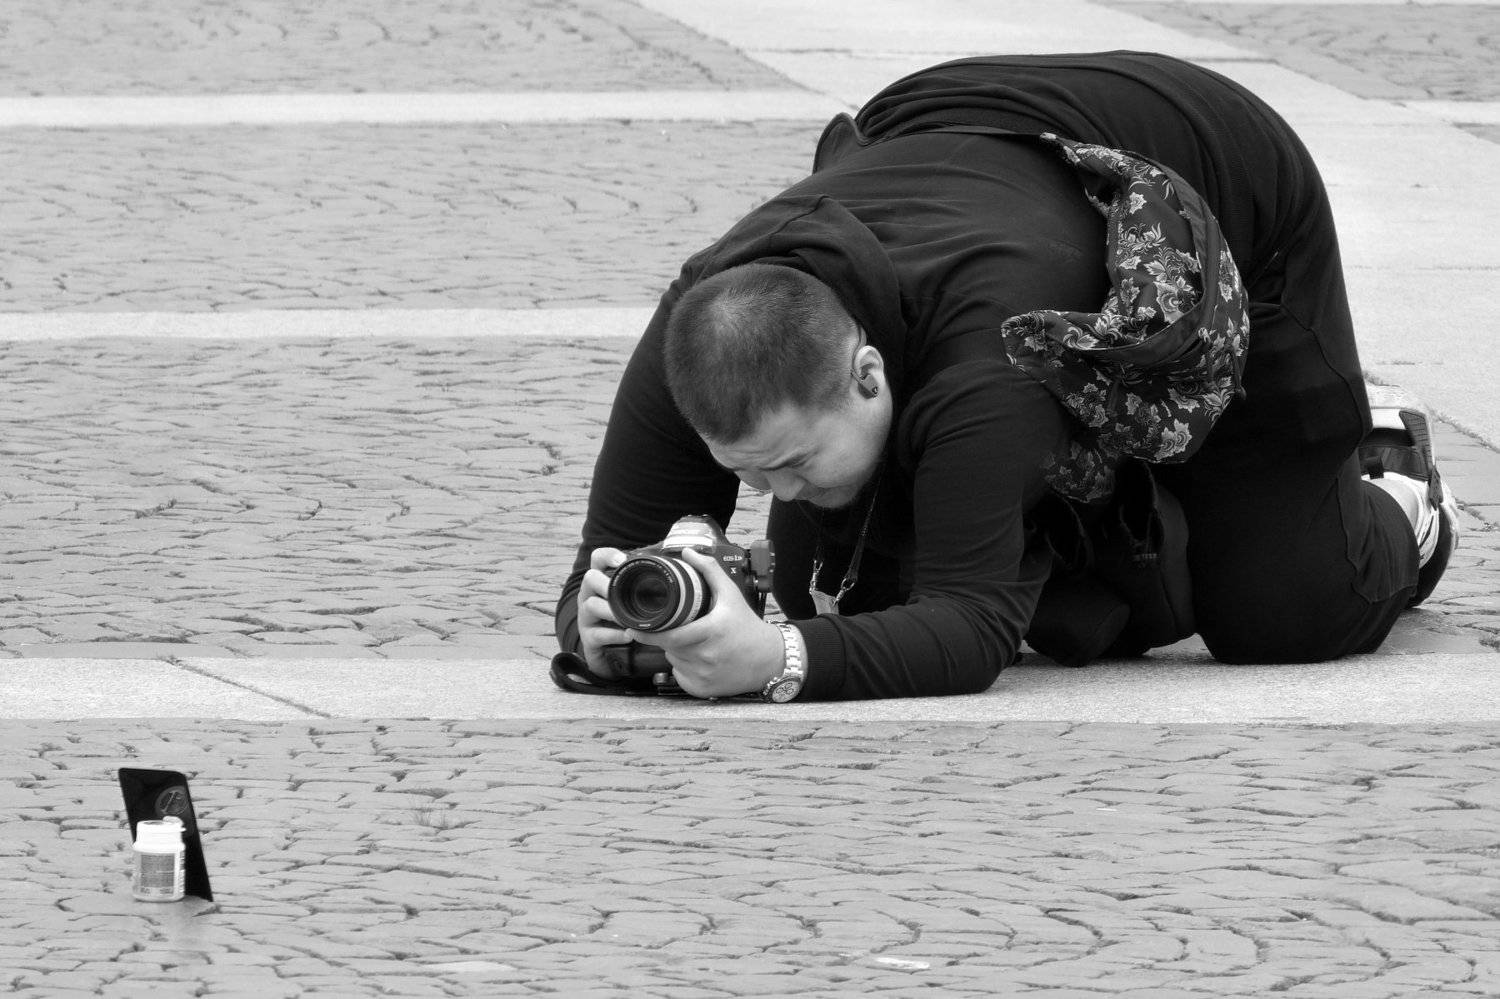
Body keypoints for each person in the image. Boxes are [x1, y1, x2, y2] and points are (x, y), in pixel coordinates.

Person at [552, 50, 1460, 702]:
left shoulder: (998, 346)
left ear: (868, 375)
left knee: (1279, 615)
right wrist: (604, 638)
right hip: (951, 135)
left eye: (788, 465)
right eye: (746, 472)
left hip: (1219, 172)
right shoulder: (702, 326)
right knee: (838, 583)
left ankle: (1394, 484)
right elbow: (596, 574)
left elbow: (972, 625)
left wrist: (780, 661)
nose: (769, 490)